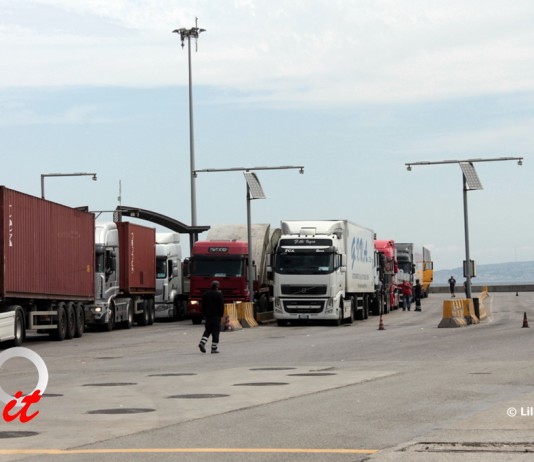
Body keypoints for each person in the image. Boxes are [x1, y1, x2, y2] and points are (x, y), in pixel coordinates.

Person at [198, 280, 225, 354]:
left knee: (208, 330)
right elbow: (221, 306)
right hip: (216, 316)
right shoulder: (219, 294)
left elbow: (202, 306)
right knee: (216, 332)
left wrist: (204, 314)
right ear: (217, 286)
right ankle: (214, 348)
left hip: (208, 316)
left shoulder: (205, 294)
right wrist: (221, 315)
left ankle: (202, 342)